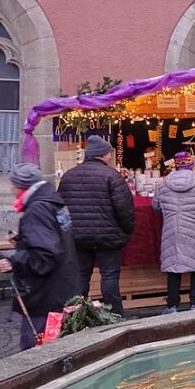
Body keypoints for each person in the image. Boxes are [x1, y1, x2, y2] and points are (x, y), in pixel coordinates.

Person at [0, 163, 80, 350]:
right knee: (58, 344)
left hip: (46, 295)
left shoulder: (37, 210)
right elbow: (55, 241)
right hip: (62, 286)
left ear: (21, 186)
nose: (11, 189)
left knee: (38, 347)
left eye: (13, 184)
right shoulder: (53, 203)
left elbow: (45, 255)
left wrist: (13, 262)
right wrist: (22, 241)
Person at [57, 134, 134, 316]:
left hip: (78, 237)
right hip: (107, 236)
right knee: (109, 275)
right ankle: (113, 314)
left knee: (82, 276)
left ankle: (77, 314)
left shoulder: (69, 176)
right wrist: (126, 231)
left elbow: (60, 207)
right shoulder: (112, 176)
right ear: (104, 154)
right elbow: (124, 208)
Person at [152, 152, 195, 313]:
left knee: (174, 266)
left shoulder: (162, 185)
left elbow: (155, 206)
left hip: (172, 231)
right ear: (191, 165)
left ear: (175, 165)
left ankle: (172, 305)